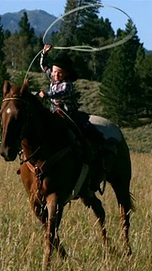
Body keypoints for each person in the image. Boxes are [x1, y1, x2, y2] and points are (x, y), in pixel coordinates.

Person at [38, 44, 107, 192]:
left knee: (83, 129)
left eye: (60, 73)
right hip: (55, 114)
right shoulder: (52, 75)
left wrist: (47, 94)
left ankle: (96, 147)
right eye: (55, 72)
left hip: (70, 114)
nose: (56, 75)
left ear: (66, 74)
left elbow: (59, 94)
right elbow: (43, 66)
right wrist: (44, 53)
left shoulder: (67, 85)